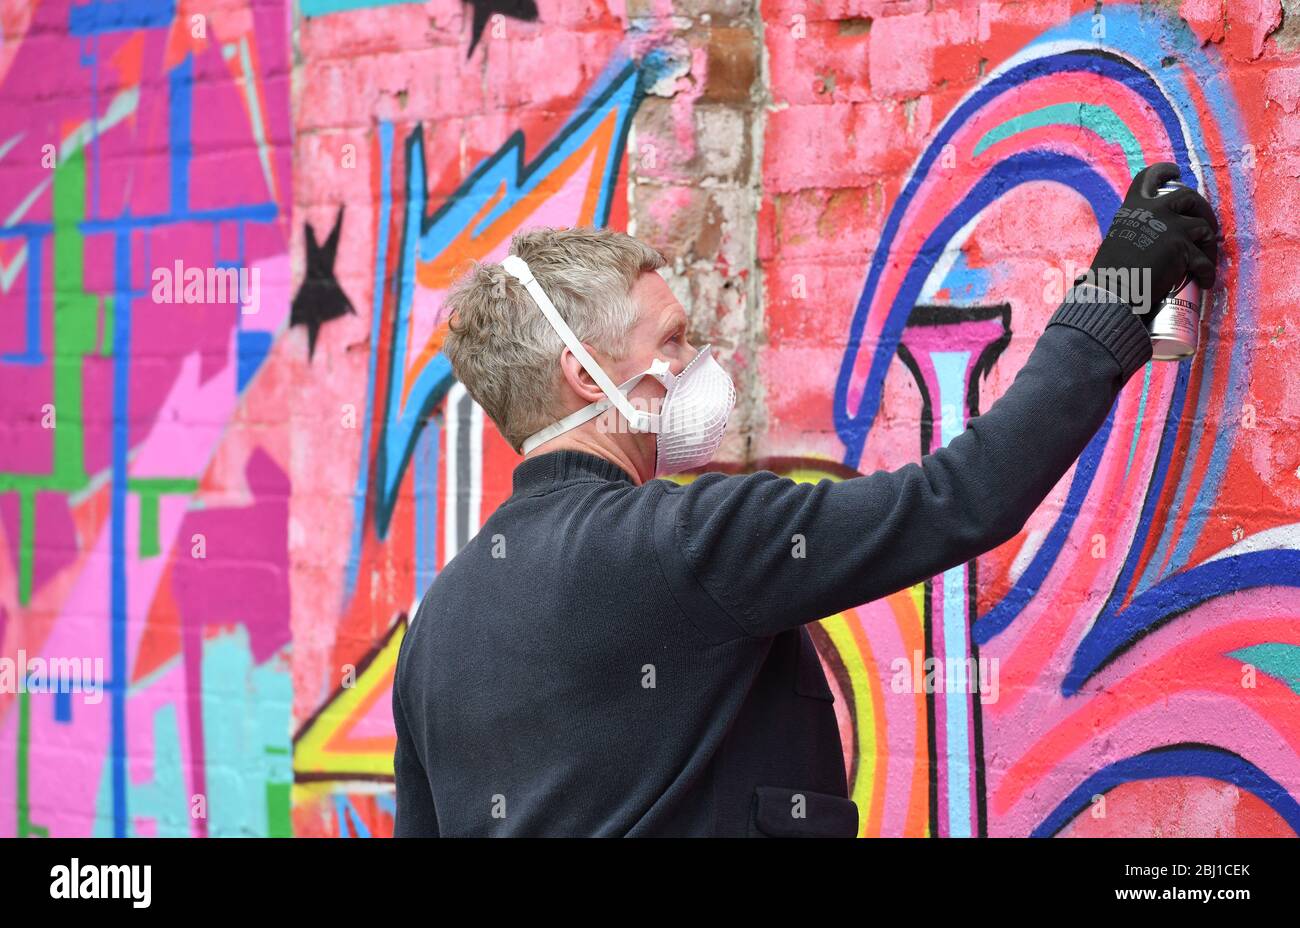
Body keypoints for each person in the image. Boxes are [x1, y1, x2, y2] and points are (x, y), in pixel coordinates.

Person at [391, 162, 1220, 837]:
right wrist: (1120, 291)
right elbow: (964, 496)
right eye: (673, 340)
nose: (699, 363)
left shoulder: (438, 623)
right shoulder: (682, 540)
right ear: (585, 374)